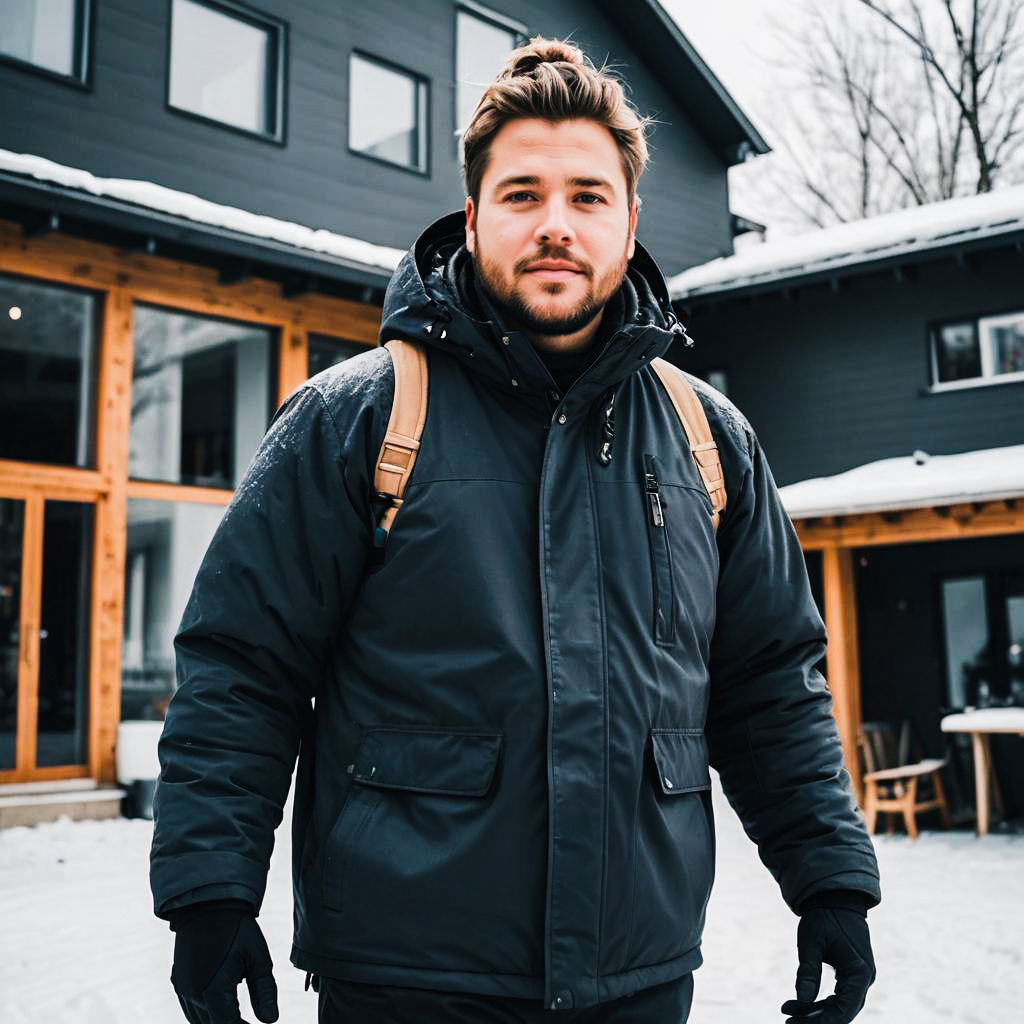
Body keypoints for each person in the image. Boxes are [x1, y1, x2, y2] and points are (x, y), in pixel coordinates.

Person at [151, 38, 880, 1024]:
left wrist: (828, 878)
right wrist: (211, 887)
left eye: (586, 196)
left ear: (629, 220)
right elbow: (243, 666)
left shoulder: (712, 440)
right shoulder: (356, 419)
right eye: (521, 193)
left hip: (638, 973)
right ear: (472, 214)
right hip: (408, 979)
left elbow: (769, 682)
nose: (554, 224)